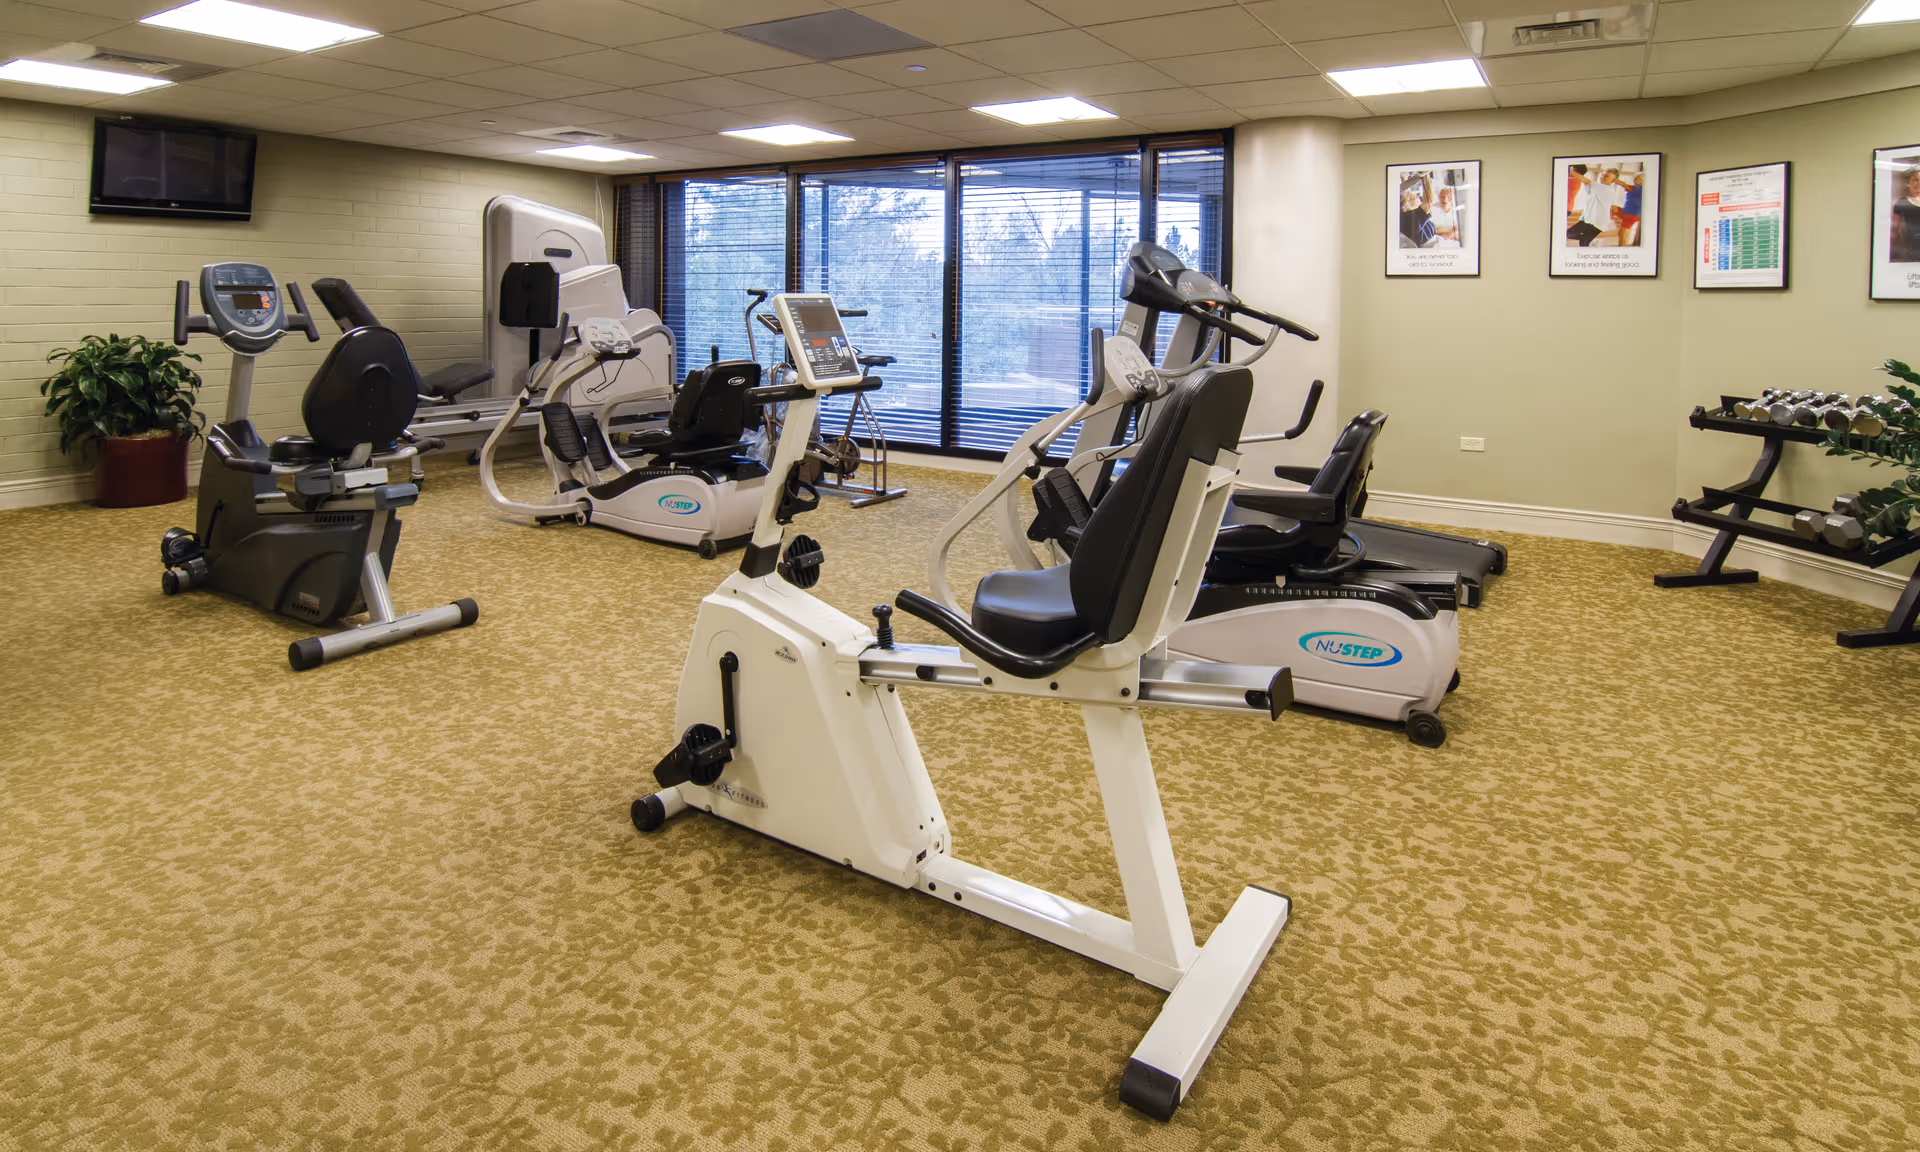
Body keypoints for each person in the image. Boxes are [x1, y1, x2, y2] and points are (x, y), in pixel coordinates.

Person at [1891, 166, 1920, 262]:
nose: (1919, 183)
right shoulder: (1902, 202)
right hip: (1911, 251)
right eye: (1916, 180)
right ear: (1908, 183)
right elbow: (1895, 230)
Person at [1399, 174, 1435, 248]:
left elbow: (1405, 192)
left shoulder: (1404, 215)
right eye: (1417, 197)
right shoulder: (1410, 219)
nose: (1419, 199)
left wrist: (1403, 176)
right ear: (1410, 200)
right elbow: (1428, 201)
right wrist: (1426, 175)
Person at [1427, 182, 1462, 247]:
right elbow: (1432, 230)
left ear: (1454, 198)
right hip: (1436, 244)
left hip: (1454, 243)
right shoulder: (1431, 209)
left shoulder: (1458, 210)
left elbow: (1461, 230)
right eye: (1442, 197)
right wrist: (1453, 229)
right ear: (1438, 197)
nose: (1445, 200)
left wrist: (1444, 235)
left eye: (1449, 197)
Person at [1615, 171, 1644, 247]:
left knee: (1623, 234)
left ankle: (1622, 250)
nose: (1634, 180)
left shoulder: (1637, 188)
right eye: (1634, 179)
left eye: (1637, 179)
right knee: (1613, 208)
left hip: (1631, 215)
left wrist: (1613, 179)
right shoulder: (1638, 189)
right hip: (1629, 213)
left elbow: (1623, 184)